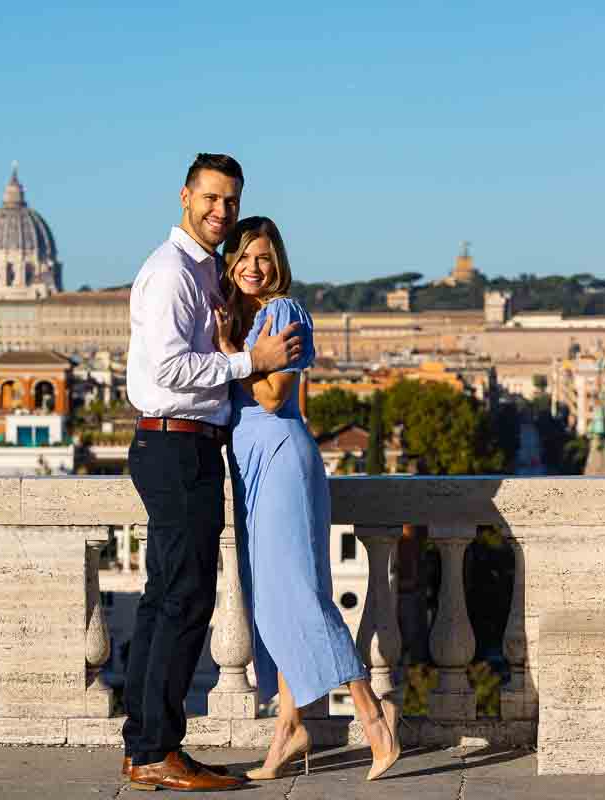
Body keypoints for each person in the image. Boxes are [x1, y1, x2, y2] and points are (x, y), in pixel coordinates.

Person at [124, 155, 302, 792]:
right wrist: (248, 360)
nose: (221, 212)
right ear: (184, 197)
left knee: (163, 599)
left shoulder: (204, 273)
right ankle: (158, 750)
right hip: (176, 444)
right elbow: (171, 371)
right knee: (184, 599)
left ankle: (143, 743)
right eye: (211, 199)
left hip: (184, 445)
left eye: (230, 200)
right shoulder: (172, 272)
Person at [213, 216, 401, 782]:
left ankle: (373, 716)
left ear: (279, 263)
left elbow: (271, 397)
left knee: (297, 593)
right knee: (272, 602)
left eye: (264, 257)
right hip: (250, 466)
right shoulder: (243, 319)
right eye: (243, 257)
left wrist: (229, 351)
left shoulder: (281, 314)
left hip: (282, 457)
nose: (253, 267)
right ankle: (288, 730)